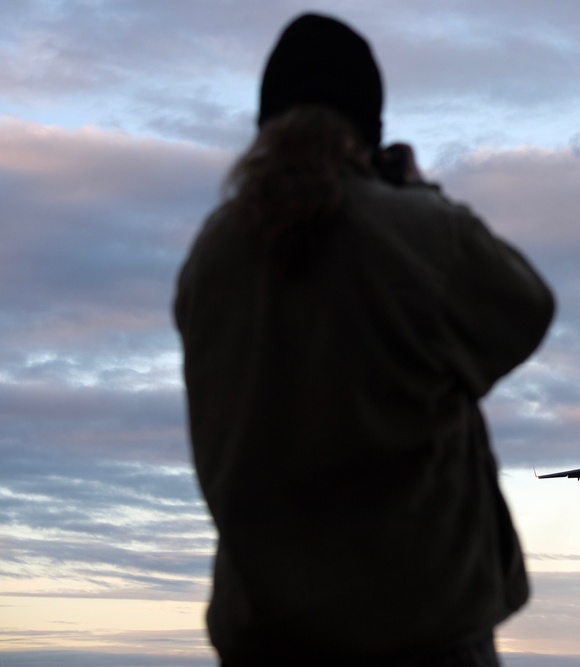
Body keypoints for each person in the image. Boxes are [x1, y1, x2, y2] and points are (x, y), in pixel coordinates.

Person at [173, 12, 555, 666]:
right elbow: (526, 307)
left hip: (265, 639)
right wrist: (417, 193)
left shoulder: (211, 254)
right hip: (422, 635)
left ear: (265, 125)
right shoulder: (416, 231)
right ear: (369, 128)